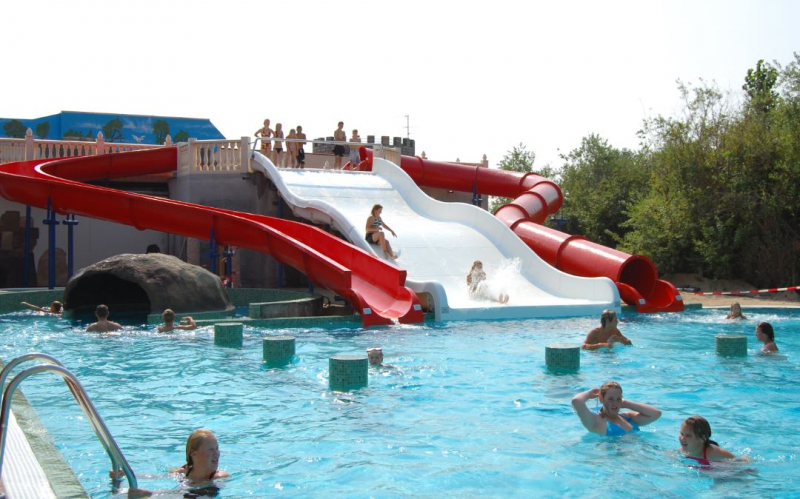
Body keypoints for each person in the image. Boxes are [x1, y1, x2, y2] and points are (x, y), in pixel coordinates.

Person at [572, 381, 662, 436]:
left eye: (618, 399)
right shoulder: (596, 422)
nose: (615, 403)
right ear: (601, 399)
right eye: (610, 399)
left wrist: (626, 403)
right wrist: (589, 393)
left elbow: (656, 413)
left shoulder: (628, 417)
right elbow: (576, 401)